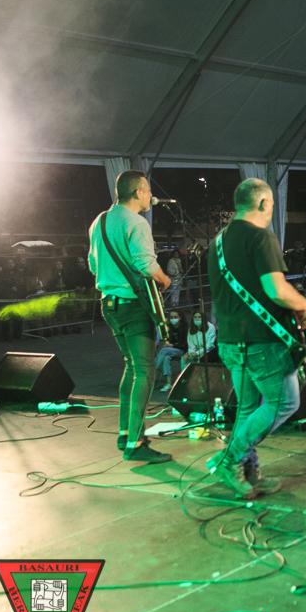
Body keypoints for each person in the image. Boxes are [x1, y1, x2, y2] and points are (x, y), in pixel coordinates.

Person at [207, 177, 306, 498]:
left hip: (230, 341)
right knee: (285, 403)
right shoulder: (260, 237)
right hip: (261, 342)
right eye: (271, 206)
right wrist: (303, 304)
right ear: (264, 203)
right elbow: (275, 289)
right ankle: (230, 459)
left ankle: (249, 473)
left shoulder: (217, 243)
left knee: (248, 408)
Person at [88, 169, 173, 463]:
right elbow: (146, 265)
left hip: (109, 305)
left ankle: (125, 433)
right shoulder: (136, 223)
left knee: (131, 366)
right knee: (145, 371)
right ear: (138, 192)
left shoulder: (99, 222)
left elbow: (92, 265)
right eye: (148, 190)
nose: (151, 196)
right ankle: (136, 443)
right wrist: (165, 279)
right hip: (133, 306)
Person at [155, 310, 187, 392]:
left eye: (175, 317)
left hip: (182, 351)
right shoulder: (171, 328)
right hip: (173, 350)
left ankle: (154, 369)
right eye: (171, 317)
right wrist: (168, 343)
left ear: (180, 317)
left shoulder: (184, 328)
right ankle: (169, 383)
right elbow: (171, 340)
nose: (173, 319)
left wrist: (172, 345)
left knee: (164, 351)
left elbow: (184, 345)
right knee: (166, 358)